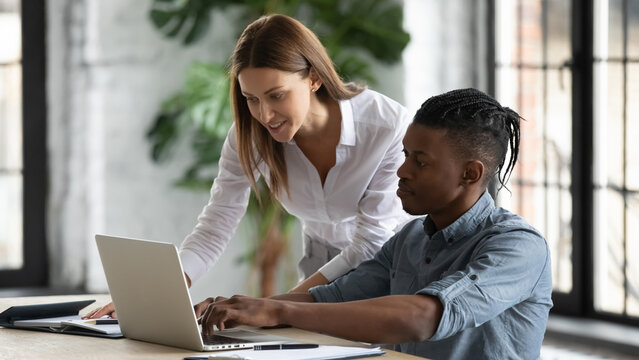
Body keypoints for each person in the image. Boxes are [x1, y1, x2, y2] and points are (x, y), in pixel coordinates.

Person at [84, 14, 411, 319]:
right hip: (316, 272)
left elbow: (370, 244)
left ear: (313, 78)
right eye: (251, 99)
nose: (265, 115)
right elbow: (217, 223)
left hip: (392, 275)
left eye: (277, 95)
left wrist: (271, 308)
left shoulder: (387, 128)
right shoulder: (252, 135)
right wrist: (153, 296)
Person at [195, 88, 553, 359]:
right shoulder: (411, 237)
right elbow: (329, 299)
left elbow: (422, 316)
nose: (402, 170)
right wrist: (240, 312)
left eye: (421, 162)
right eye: (405, 155)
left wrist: (274, 309)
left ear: (470, 173)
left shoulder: (519, 247)